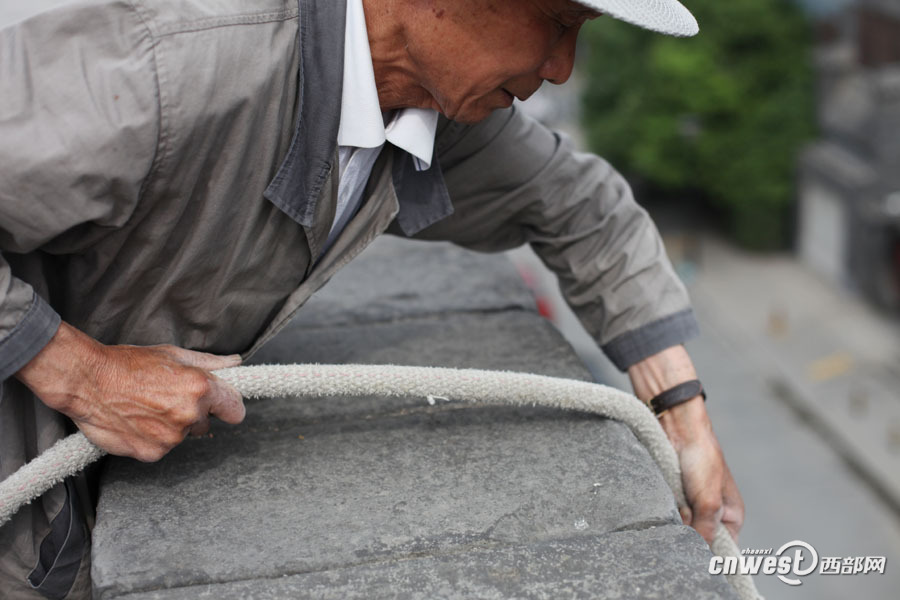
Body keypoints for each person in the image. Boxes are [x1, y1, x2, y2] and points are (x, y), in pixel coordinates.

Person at [0, 0, 743, 597]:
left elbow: (581, 207)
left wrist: (682, 411)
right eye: (558, 21)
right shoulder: (179, 61)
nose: (561, 68)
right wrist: (86, 375)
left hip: (62, 520)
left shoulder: (432, 115)